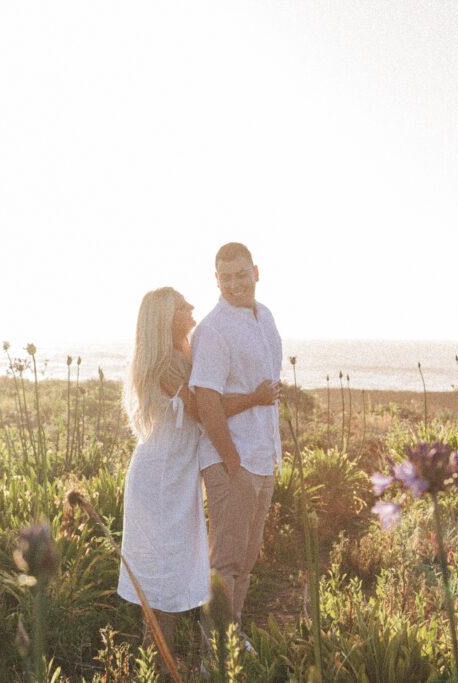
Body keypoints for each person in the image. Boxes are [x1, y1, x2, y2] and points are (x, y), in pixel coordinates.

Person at [117, 286, 278, 662]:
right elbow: (207, 411)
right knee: (161, 576)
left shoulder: (182, 355)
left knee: (171, 572)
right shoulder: (167, 366)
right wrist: (254, 398)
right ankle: (157, 662)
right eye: (181, 306)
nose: (192, 308)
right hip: (158, 481)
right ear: (163, 320)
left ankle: (164, 660)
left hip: (176, 478)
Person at [190, 242, 283, 629]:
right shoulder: (213, 330)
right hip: (233, 460)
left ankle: (234, 633)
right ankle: (215, 655)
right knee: (225, 562)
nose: (233, 284)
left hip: (261, 457)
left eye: (241, 275)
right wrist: (232, 461)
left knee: (246, 560)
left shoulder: (266, 318)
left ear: (255, 273)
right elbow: (205, 402)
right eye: (225, 277)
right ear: (216, 280)